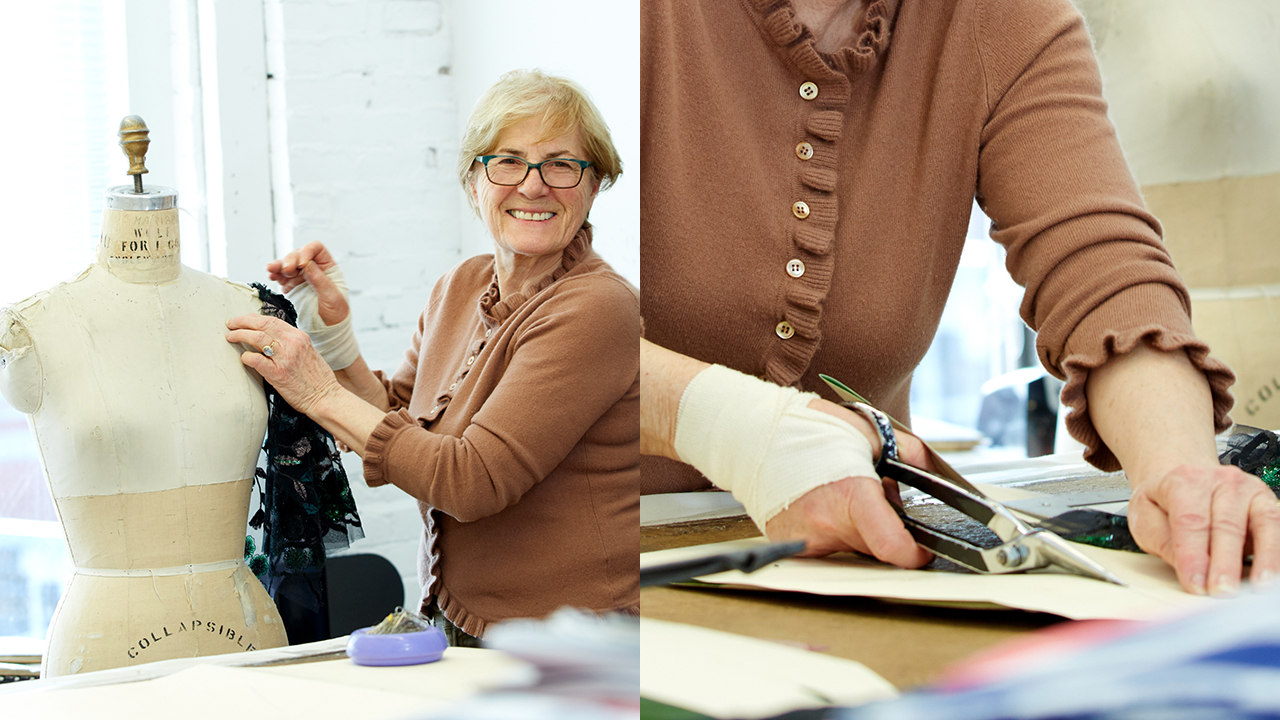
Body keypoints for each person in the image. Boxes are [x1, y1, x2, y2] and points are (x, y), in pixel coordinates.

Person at [639, 0, 1280, 597]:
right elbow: (538, 313)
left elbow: (1101, 270)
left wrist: (1179, 468)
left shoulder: (995, 18)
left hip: (860, 577)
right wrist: (737, 426)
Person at [226, 69, 640, 643]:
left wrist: (318, 391)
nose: (534, 185)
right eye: (508, 161)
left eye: (562, 163)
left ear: (596, 185)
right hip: (460, 621)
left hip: (571, 644)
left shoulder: (597, 309)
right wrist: (335, 337)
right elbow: (401, 419)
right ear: (474, 182)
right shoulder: (462, 285)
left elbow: (472, 480)